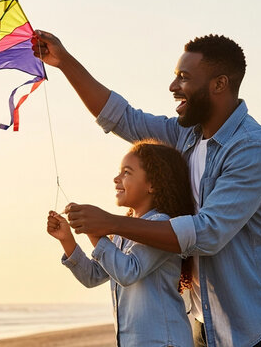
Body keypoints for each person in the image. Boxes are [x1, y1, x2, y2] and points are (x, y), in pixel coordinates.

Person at [33, 31, 261, 347]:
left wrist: (111, 223)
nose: (173, 87)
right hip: (204, 320)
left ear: (219, 84)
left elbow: (208, 233)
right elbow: (122, 118)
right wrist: (63, 62)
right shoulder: (184, 136)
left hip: (256, 322)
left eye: (184, 78)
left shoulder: (252, 149)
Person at [47, 140, 195, 347]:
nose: (116, 179)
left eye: (126, 172)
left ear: (152, 184)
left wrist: (94, 231)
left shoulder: (161, 226)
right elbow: (93, 276)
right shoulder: (120, 232)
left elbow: (128, 271)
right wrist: (67, 239)